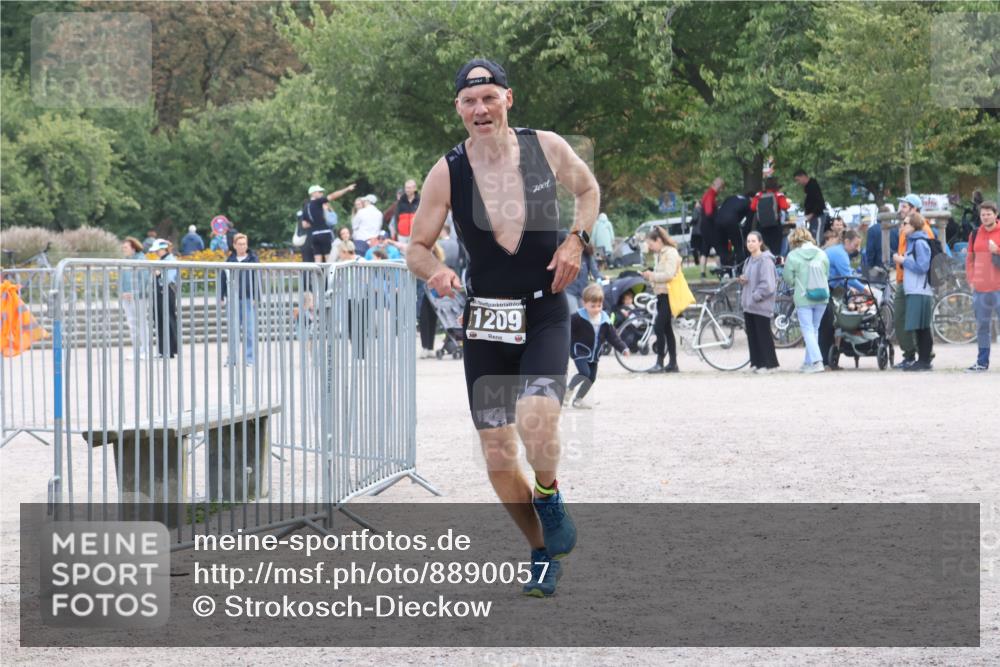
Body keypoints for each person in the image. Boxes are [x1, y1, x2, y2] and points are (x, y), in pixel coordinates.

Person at [406, 58, 599, 597]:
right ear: (459, 109)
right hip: (486, 321)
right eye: (470, 101)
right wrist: (437, 270)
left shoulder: (546, 147)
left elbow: (588, 190)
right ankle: (541, 550)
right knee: (495, 453)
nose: (480, 109)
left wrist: (575, 241)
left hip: (544, 309)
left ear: (508, 99)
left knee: (537, 419)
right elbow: (416, 249)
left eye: (489, 97)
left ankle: (549, 490)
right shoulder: (448, 171)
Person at [891, 194, 936, 369]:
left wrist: (903, 261)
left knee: (917, 322)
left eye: (904, 206)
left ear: (914, 210)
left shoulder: (922, 233)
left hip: (917, 285)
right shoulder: (908, 233)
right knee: (907, 319)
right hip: (906, 282)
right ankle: (914, 355)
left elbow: (924, 264)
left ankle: (923, 357)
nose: (900, 209)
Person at [566, 284, 628, 409]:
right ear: (584, 303)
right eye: (592, 306)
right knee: (584, 372)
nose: (596, 309)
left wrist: (623, 348)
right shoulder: (577, 318)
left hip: (594, 354)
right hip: (580, 351)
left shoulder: (605, 320)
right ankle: (568, 390)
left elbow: (613, 337)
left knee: (591, 378)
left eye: (599, 306)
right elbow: (566, 330)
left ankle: (578, 400)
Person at [782, 228, 830, 373]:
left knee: (807, 330)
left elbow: (788, 278)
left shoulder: (792, 256)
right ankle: (808, 363)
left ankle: (817, 362)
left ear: (794, 240)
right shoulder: (822, 253)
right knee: (814, 329)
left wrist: (796, 283)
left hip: (803, 297)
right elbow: (826, 274)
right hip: (822, 296)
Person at [818, 229, 866, 369]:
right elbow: (848, 276)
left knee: (826, 325)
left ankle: (827, 359)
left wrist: (850, 287)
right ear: (846, 241)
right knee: (826, 326)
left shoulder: (837, 251)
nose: (856, 249)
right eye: (855, 245)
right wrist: (864, 289)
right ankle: (826, 361)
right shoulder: (841, 254)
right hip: (825, 289)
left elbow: (837, 274)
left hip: (826, 287)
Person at [965, 200, 1000, 372]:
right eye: (983, 214)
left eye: (989, 214)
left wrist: (997, 250)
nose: (985, 217)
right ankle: (982, 362)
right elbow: (969, 259)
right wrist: (971, 280)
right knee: (982, 328)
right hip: (980, 288)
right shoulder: (974, 233)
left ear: (996, 214)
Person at [641, 226, 680, 373]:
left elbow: (669, 275)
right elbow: (659, 274)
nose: (651, 248)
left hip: (669, 294)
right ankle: (673, 363)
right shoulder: (660, 254)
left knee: (659, 327)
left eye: (651, 245)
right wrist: (650, 276)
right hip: (661, 294)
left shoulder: (670, 253)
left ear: (658, 240)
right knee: (667, 328)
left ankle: (660, 362)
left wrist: (651, 276)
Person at [739, 231, 779, 373]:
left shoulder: (765, 260)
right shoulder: (749, 260)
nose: (750, 244)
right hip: (749, 304)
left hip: (760, 304)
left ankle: (770, 364)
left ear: (760, 243)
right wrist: (743, 280)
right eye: (748, 241)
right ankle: (756, 363)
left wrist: (756, 295)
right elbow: (750, 278)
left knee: (763, 335)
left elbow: (768, 284)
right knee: (752, 336)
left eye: (753, 241)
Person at [220, 233, 259, 366]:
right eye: (240, 244)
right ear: (235, 245)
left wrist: (256, 296)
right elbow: (223, 279)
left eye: (245, 243)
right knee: (233, 330)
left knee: (249, 331)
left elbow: (257, 279)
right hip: (233, 298)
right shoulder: (230, 260)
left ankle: (250, 359)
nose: (243, 246)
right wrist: (221, 296)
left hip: (248, 298)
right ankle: (232, 358)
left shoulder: (253, 259)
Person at [302, 183, 356, 263]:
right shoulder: (318, 202)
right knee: (329, 258)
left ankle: (318, 275)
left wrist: (315, 222)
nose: (322, 194)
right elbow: (333, 196)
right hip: (324, 233)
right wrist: (347, 189)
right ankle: (329, 275)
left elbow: (304, 225)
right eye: (319, 192)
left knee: (317, 258)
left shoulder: (306, 207)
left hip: (314, 235)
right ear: (313, 193)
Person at [119, 237, 151, 359]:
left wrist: (134, 293)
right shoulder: (125, 261)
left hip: (139, 297)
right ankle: (137, 350)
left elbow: (144, 280)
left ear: (133, 248)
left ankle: (146, 350)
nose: (124, 249)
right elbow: (121, 278)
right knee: (132, 324)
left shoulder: (142, 260)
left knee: (142, 323)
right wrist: (122, 292)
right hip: (126, 298)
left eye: (126, 247)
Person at [148, 239, 178, 359]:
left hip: (166, 292)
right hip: (159, 293)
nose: (156, 252)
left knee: (168, 320)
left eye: (158, 250)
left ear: (164, 249)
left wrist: (159, 274)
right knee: (159, 320)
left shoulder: (171, 260)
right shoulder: (161, 260)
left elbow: (170, 278)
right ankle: (162, 349)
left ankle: (170, 349)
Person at [750, 177, 791, 260]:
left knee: (764, 249)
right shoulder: (779, 195)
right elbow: (785, 206)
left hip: (761, 226)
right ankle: (775, 267)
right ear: (776, 186)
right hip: (775, 227)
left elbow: (752, 207)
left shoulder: (758, 195)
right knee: (775, 250)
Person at [714, 192, 753, 269]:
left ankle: (725, 269)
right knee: (738, 245)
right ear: (751, 198)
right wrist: (746, 235)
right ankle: (741, 268)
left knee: (723, 247)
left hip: (718, 220)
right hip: (731, 220)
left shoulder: (731, 197)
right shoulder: (749, 203)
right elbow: (748, 223)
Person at [564, 242, 603, 309]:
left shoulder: (587, 255)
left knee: (584, 313)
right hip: (569, 290)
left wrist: (599, 278)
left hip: (583, 291)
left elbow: (594, 270)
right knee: (574, 313)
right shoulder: (566, 253)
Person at [698, 177, 724, 277]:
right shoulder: (710, 195)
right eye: (721, 187)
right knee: (719, 248)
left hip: (704, 227)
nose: (721, 190)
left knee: (704, 249)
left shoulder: (707, 194)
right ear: (717, 185)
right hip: (710, 227)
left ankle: (702, 273)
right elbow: (709, 212)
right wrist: (716, 218)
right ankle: (720, 270)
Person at [794, 169, 827, 241]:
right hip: (812, 217)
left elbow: (819, 202)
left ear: (803, 176)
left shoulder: (813, 186)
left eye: (798, 180)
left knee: (816, 240)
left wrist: (811, 214)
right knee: (812, 239)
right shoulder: (808, 187)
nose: (798, 182)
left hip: (817, 216)